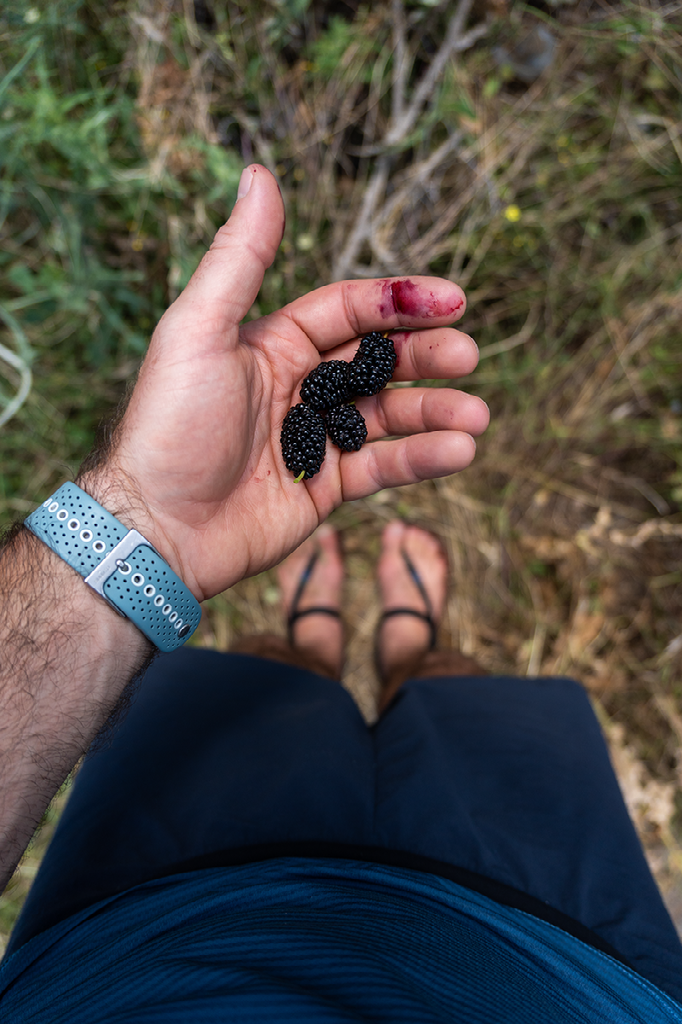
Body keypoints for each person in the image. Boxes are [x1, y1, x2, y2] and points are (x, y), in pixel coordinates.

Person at [0, 165, 681, 1022]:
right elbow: (336, 399)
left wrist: (147, 520)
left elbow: (337, 399)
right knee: (470, 705)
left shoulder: (332, 402)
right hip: (562, 954)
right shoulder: (330, 403)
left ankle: (311, 639)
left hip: (154, 917)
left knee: (261, 683)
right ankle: (406, 644)